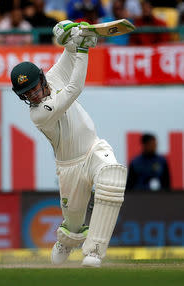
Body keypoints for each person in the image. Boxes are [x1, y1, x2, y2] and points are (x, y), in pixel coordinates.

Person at [10, 20, 126, 267]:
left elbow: (70, 51)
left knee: (112, 177)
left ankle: (94, 250)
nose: (33, 95)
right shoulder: (39, 113)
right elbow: (74, 89)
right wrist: (83, 49)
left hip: (94, 149)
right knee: (73, 223)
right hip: (69, 166)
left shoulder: (54, 75)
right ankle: (67, 239)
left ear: (41, 78)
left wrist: (71, 33)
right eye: (26, 93)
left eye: (33, 88)